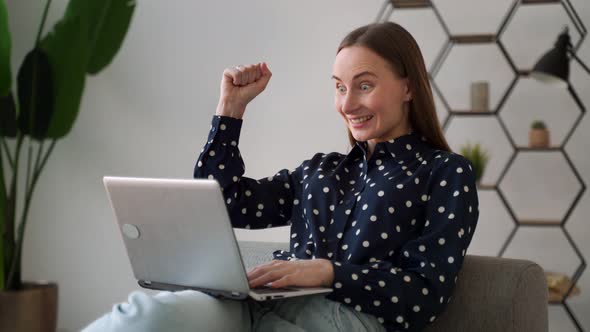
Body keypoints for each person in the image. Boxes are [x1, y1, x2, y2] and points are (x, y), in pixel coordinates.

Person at [83, 22, 479, 332]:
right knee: (149, 315)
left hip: (346, 318)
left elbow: (426, 292)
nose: (347, 103)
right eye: (340, 88)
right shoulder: (320, 170)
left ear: (408, 87)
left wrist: (329, 272)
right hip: (261, 302)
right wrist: (230, 110)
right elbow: (227, 204)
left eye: (364, 85)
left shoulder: (444, 173)